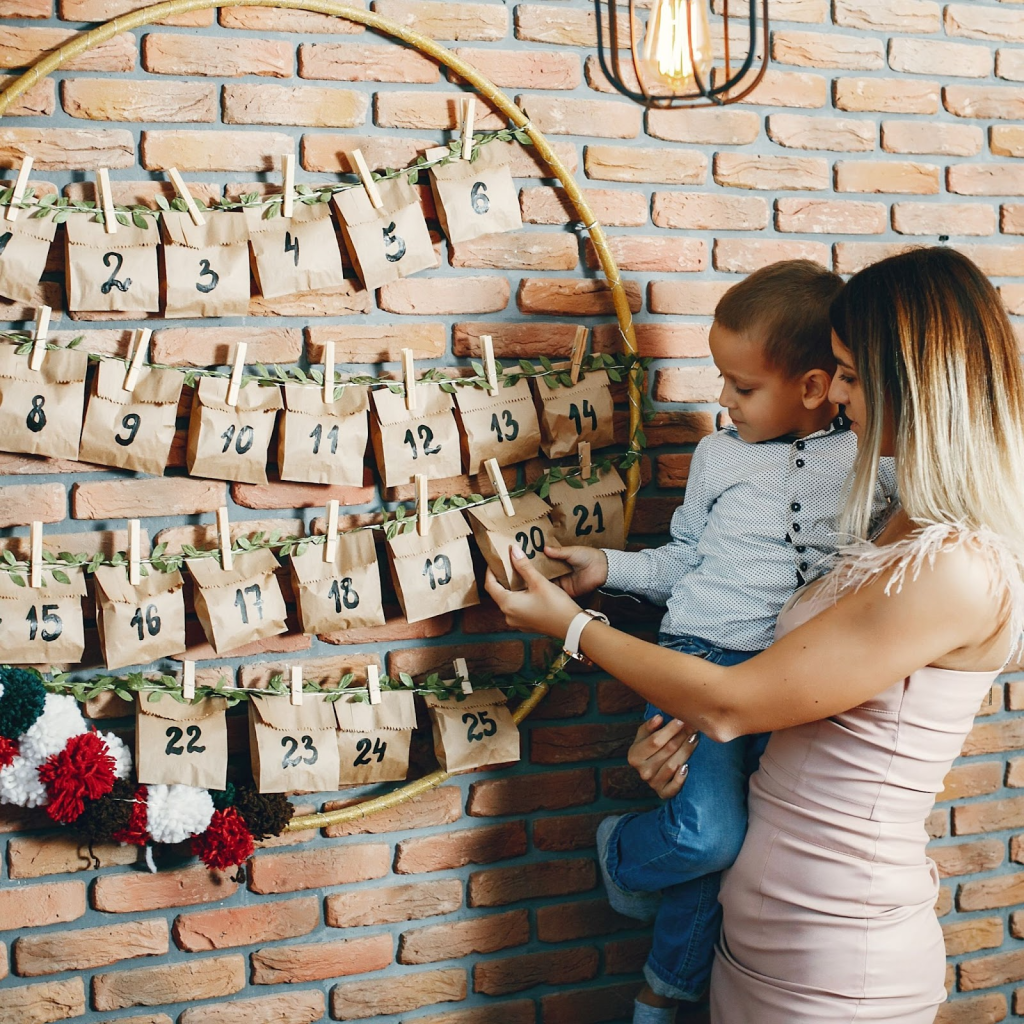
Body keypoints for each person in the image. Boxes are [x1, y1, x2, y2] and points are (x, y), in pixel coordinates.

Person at [486, 246, 1024, 1023]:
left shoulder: (956, 567)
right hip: (754, 935)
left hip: (839, 952)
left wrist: (572, 629)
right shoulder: (896, 516)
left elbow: (736, 704)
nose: (833, 393)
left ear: (911, 382)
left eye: (847, 373)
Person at [548, 259, 894, 1023]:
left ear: (812, 387)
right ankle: (623, 853)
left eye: (741, 388)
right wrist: (607, 566)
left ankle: (663, 997)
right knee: (707, 836)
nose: (723, 400)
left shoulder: (872, 462)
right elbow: (682, 561)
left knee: (737, 855)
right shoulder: (718, 456)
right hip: (696, 662)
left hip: (790, 679)